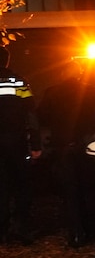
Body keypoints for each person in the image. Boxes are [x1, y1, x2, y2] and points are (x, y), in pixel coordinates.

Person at [39, 62, 95, 247]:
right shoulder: (89, 90)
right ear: (79, 74)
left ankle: (75, 235)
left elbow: (41, 116)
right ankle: (91, 232)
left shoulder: (52, 93)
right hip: (86, 147)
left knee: (70, 192)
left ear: (62, 73)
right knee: (89, 191)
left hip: (63, 147)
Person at [0, 46, 41, 245]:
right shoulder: (18, 82)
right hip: (15, 141)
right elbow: (31, 114)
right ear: (7, 61)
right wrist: (36, 144)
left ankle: (2, 230)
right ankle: (21, 228)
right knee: (21, 185)